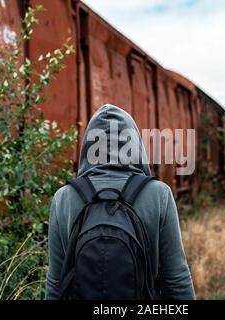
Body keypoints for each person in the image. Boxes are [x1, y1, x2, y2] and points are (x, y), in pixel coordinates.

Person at [46, 104, 195, 300]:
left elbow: (56, 282)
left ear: (88, 145)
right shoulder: (159, 194)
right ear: (134, 144)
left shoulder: (64, 197)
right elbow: (176, 277)